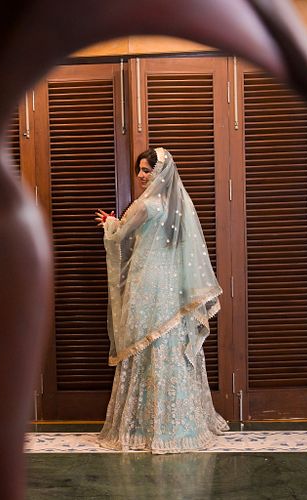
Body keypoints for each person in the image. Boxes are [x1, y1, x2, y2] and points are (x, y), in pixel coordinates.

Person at [94, 147, 229, 454]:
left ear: (160, 172)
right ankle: (183, 424)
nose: (142, 175)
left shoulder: (146, 204)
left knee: (145, 343)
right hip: (172, 288)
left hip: (146, 283)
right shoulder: (179, 205)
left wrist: (109, 224)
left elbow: (119, 236)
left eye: (147, 170)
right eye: (140, 170)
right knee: (169, 343)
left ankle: (141, 427)